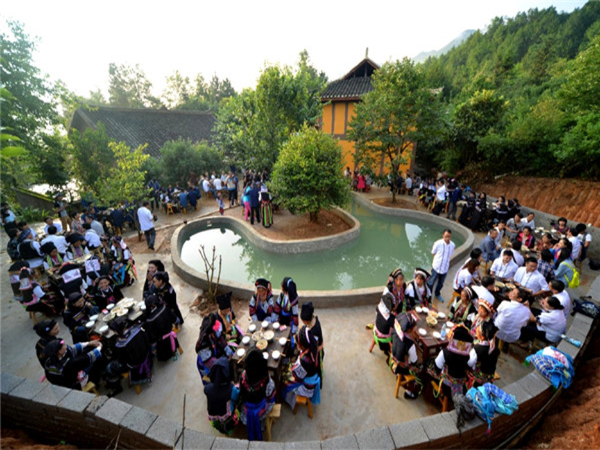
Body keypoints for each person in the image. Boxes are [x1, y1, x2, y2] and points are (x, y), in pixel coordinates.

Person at [105, 318, 153, 396]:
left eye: (114, 331)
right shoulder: (138, 329)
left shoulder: (120, 344)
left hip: (134, 365)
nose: (114, 332)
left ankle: (116, 388)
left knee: (109, 367)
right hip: (146, 356)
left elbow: (122, 360)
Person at [237, 348, 276, 441]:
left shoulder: (242, 376)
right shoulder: (266, 379)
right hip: (261, 409)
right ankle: (260, 420)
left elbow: (241, 393)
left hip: (247, 409)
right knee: (272, 394)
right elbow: (270, 395)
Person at [431, 325, 476, 396]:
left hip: (446, 386)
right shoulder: (467, 355)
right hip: (460, 384)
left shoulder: (445, 353)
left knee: (429, 365)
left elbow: (437, 368)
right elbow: (469, 366)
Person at [283, 327, 321, 410]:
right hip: (313, 374)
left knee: (285, 383)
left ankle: (286, 399)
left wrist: (291, 370)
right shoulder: (313, 345)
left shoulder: (305, 360)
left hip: (307, 385)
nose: (297, 345)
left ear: (303, 345)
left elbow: (297, 377)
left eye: (298, 343)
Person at [389, 313, 422, 399]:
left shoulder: (396, 331)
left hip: (393, 361)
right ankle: (410, 391)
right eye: (413, 327)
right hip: (402, 368)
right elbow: (414, 361)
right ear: (409, 329)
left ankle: (398, 375)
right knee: (421, 368)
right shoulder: (410, 344)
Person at [204, 357, 239, 435]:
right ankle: (229, 427)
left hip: (213, 416)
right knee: (238, 401)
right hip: (226, 416)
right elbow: (236, 398)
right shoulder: (231, 389)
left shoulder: (207, 388)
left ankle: (222, 429)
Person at [196, 314, 230, 384]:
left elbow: (221, 340)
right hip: (207, 363)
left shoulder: (214, 332)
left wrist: (228, 351)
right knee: (216, 380)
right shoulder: (202, 345)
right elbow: (212, 364)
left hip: (214, 355)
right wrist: (225, 362)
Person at [144, 294, 179, 361]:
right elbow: (175, 319)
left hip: (162, 343)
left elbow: (152, 337)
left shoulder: (150, 320)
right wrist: (176, 323)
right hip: (171, 335)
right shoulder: (164, 308)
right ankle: (174, 352)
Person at [468, 321, 500, 388]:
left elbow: (469, 363)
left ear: (482, 337)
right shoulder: (494, 348)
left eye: (477, 331)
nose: (476, 331)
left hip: (477, 381)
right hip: (489, 378)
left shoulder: (478, 349)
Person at [427, 229, 456, 303]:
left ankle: (437, 293)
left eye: (449, 237)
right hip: (436, 267)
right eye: (446, 236)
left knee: (440, 283)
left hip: (445, 268)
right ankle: (428, 296)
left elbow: (450, 254)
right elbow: (433, 253)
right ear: (443, 235)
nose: (447, 238)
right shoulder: (438, 243)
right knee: (431, 282)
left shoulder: (452, 245)